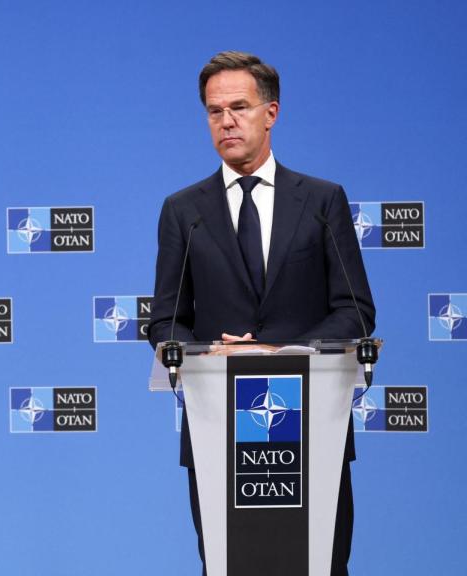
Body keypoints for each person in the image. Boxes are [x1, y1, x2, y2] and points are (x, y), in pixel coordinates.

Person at [147, 51, 375, 575]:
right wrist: (212, 354)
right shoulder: (183, 211)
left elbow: (357, 312)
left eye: (239, 107)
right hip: (218, 432)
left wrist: (278, 355)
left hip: (310, 427)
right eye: (214, 111)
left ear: (270, 113)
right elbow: (165, 321)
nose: (225, 121)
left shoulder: (321, 200)